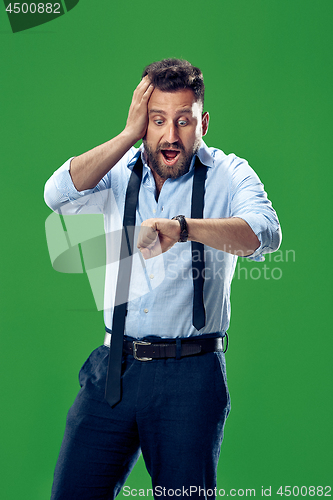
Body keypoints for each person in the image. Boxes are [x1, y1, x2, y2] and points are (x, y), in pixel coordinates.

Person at [44, 59, 281, 500]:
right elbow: (56, 194)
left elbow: (264, 233)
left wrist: (185, 228)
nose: (171, 136)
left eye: (184, 121)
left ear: (202, 122)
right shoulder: (116, 171)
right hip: (114, 368)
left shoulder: (229, 174)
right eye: (158, 121)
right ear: (143, 122)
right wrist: (126, 136)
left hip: (190, 375)